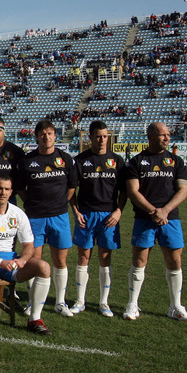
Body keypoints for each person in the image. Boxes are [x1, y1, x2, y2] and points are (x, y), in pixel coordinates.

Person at [122, 122, 187, 322]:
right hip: (145, 218)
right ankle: (132, 304)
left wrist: (165, 211)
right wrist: (154, 211)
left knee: (175, 261)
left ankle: (176, 307)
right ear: (151, 136)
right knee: (139, 261)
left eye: (168, 135)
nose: (167, 138)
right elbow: (132, 192)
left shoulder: (176, 161)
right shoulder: (136, 162)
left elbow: (183, 191)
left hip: (171, 219)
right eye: (163, 135)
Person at [0, 175, 53, 336]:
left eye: (6, 189)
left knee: (44, 267)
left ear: (11, 192)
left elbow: (28, 245)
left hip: (10, 262)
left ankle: (35, 319)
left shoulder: (18, 214)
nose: (2, 192)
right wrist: (0, 261)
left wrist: (22, 260)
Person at [16, 119, 77, 317]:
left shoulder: (65, 159)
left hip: (59, 216)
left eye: (50, 133)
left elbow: (72, 187)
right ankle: (33, 302)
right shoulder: (27, 161)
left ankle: (60, 302)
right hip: (35, 217)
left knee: (60, 260)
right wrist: (31, 203)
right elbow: (20, 188)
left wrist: (60, 204)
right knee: (35, 260)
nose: (46, 137)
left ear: (55, 136)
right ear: (36, 137)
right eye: (42, 134)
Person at [69, 120, 127, 317]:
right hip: (86, 214)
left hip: (109, 216)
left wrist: (119, 211)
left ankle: (104, 302)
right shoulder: (80, 160)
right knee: (83, 256)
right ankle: (80, 300)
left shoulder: (117, 161)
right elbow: (71, 191)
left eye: (105, 136)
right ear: (90, 138)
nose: (102, 140)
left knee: (105, 257)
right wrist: (76, 212)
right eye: (98, 137)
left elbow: (124, 192)